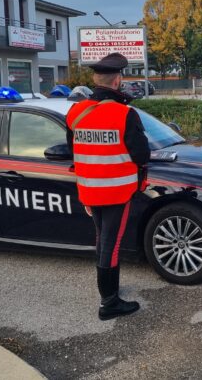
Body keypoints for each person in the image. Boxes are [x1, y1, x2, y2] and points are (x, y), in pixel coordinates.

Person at [66, 53, 150, 320]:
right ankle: (109, 303)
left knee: (102, 240)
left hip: (89, 191)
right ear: (117, 80)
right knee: (110, 245)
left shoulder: (75, 113)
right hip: (117, 191)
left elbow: (74, 149)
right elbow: (141, 155)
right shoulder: (125, 114)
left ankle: (108, 292)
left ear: (94, 80)